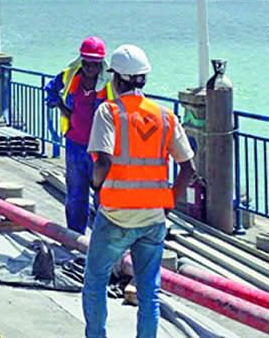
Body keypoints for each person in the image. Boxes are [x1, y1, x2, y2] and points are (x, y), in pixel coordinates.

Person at [83, 45, 195, 338]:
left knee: (95, 281)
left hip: (115, 215)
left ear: (116, 78)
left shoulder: (108, 112)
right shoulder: (165, 116)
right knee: (149, 292)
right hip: (153, 217)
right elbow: (189, 169)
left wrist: (95, 185)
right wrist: (169, 202)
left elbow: (103, 161)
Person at [43, 36, 111, 233]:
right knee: (75, 194)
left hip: (100, 148)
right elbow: (50, 89)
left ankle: (102, 238)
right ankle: (74, 235)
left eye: (95, 64)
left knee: (103, 195)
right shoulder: (70, 76)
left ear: (101, 64)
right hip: (75, 144)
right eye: (86, 63)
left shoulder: (110, 83)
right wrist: (62, 108)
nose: (90, 68)